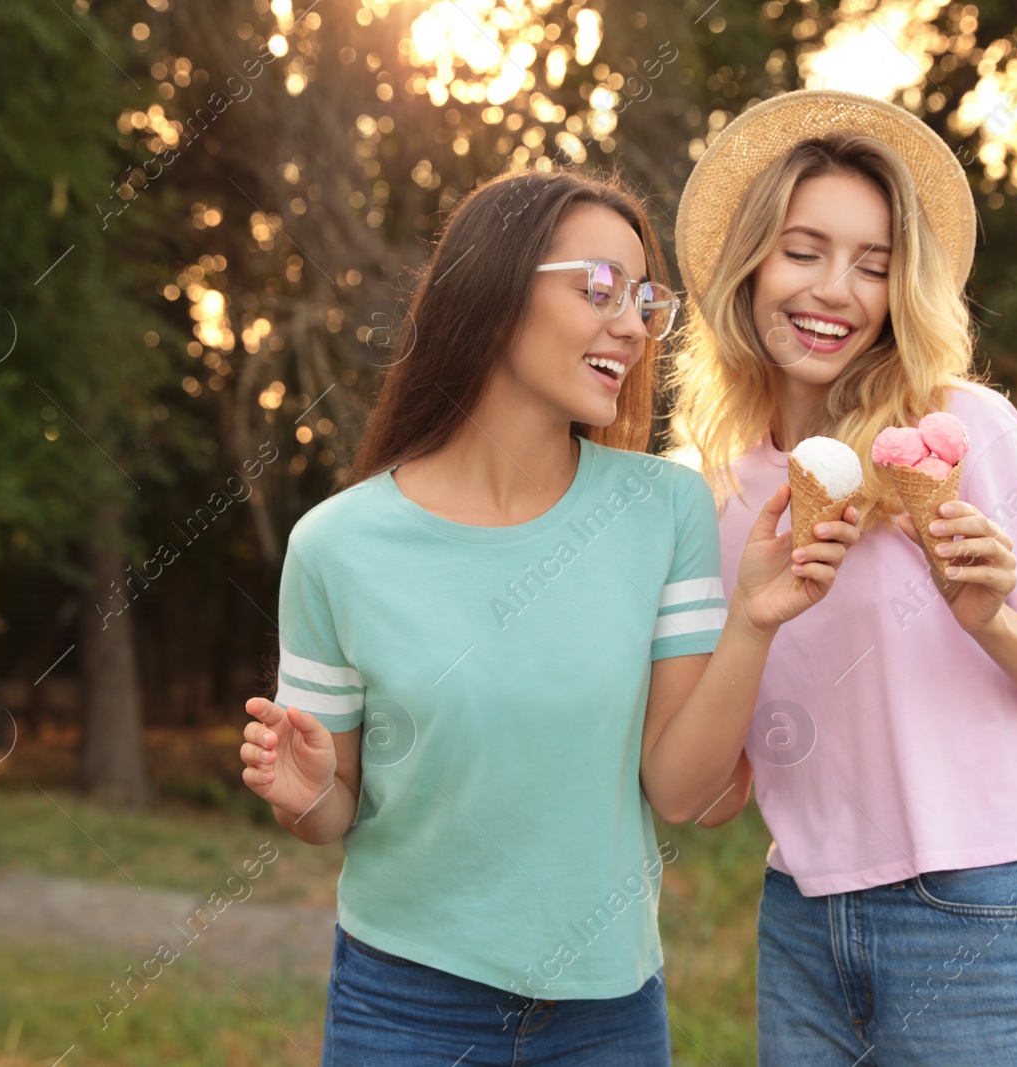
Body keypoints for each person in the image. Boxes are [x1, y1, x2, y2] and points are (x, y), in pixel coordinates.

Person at [237, 168, 858, 1066]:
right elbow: (333, 809)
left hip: (606, 1016)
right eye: (599, 289)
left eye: (646, 300)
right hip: (403, 1003)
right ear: (493, 292)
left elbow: (684, 795)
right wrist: (305, 799)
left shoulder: (666, 511)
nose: (635, 327)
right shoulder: (337, 544)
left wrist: (755, 622)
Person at [670, 89, 1017, 1064]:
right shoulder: (708, 493)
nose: (835, 289)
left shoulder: (968, 429)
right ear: (748, 263)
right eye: (803, 249)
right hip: (799, 915)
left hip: (973, 905)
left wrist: (989, 619)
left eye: (873, 265)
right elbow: (708, 794)